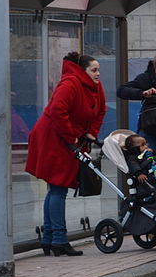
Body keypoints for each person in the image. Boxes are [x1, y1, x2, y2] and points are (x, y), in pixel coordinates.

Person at [25, 52, 106, 257]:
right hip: (54, 139)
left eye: (98, 70)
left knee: (55, 189)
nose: (98, 74)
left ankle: (50, 238)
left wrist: (90, 133)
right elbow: (57, 111)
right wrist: (73, 137)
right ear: (83, 70)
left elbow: (101, 110)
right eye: (94, 70)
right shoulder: (70, 84)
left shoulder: (94, 86)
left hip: (67, 139)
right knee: (58, 188)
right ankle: (59, 240)